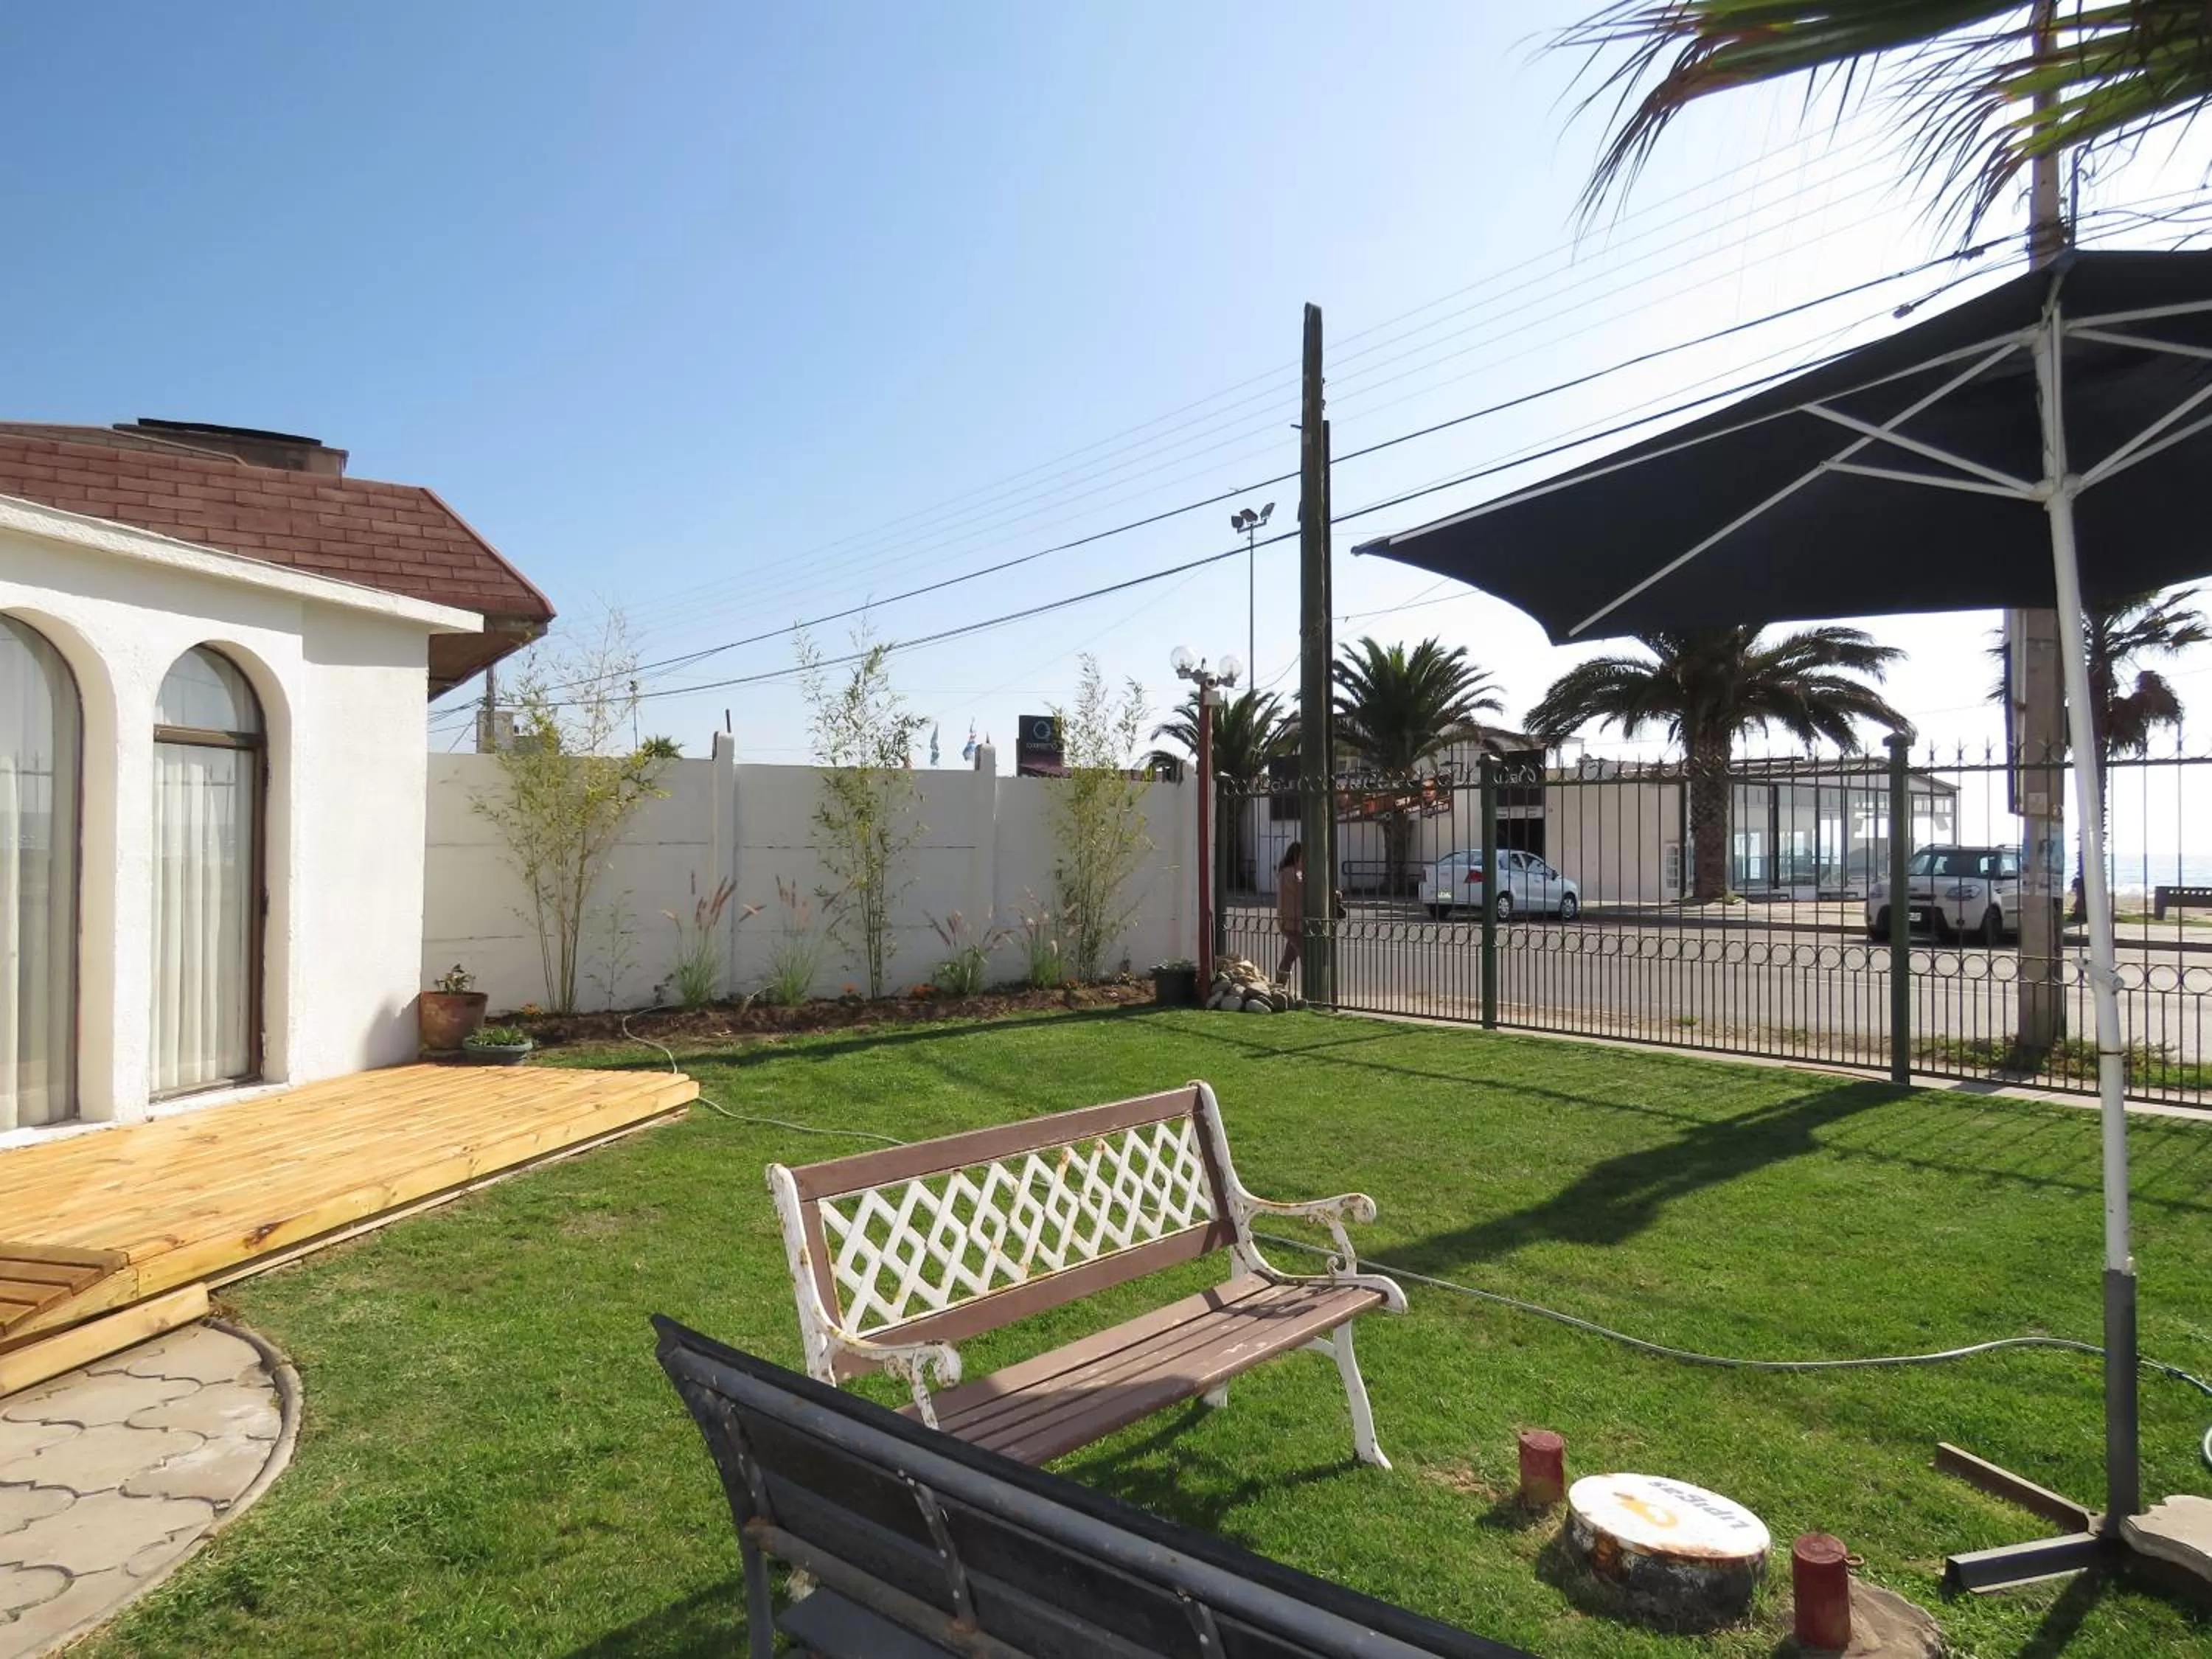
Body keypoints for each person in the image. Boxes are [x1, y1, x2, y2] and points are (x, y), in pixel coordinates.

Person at [1276, 841, 1304, 984]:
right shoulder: (1292, 874)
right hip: (1292, 922)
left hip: (1289, 921)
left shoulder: (1286, 872)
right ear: (1297, 857)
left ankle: (1278, 987)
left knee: (1289, 957)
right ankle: (1314, 994)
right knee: (1307, 956)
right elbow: (1303, 887)